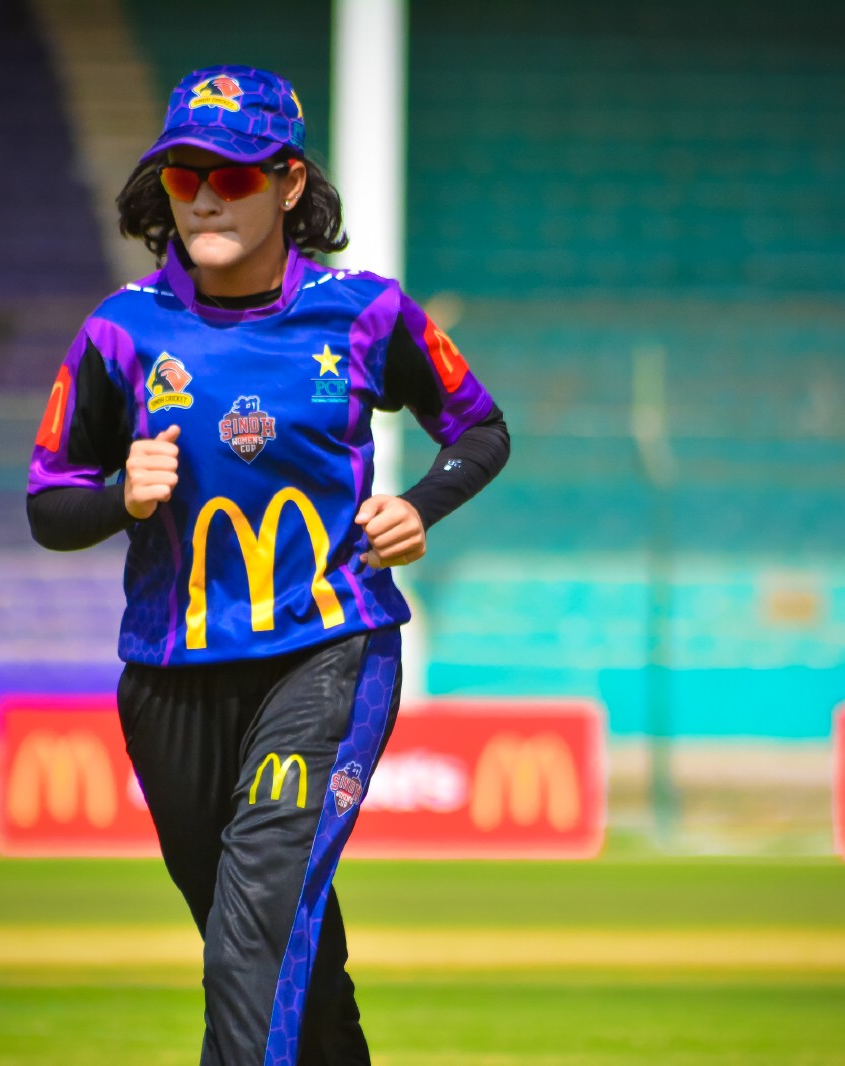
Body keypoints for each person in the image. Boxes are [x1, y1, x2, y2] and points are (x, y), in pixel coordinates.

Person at [25, 65, 509, 1065]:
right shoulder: (119, 330)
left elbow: (479, 428)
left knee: (254, 926)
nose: (205, 197)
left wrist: (418, 506)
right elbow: (49, 504)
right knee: (275, 941)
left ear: (289, 185)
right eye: (184, 175)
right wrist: (121, 497)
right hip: (168, 678)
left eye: (234, 175)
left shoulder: (366, 313)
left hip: (327, 652)